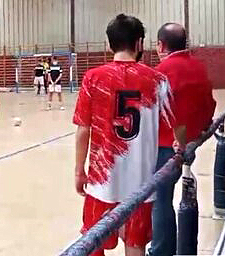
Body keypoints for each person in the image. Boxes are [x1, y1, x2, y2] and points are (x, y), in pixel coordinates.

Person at [73, 14, 173, 256]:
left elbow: (83, 129)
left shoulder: (93, 78)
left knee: (93, 243)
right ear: (140, 43)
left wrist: (79, 170)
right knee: (136, 244)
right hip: (141, 182)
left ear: (109, 44)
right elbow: (172, 131)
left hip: (101, 181)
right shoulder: (159, 80)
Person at [149, 23, 216, 256]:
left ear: (160, 45)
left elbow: (155, 112)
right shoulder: (198, 67)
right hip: (191, 143)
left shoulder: (163, 71)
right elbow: (210, 105)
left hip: (168, 147)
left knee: (160, 200)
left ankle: (160, 251)